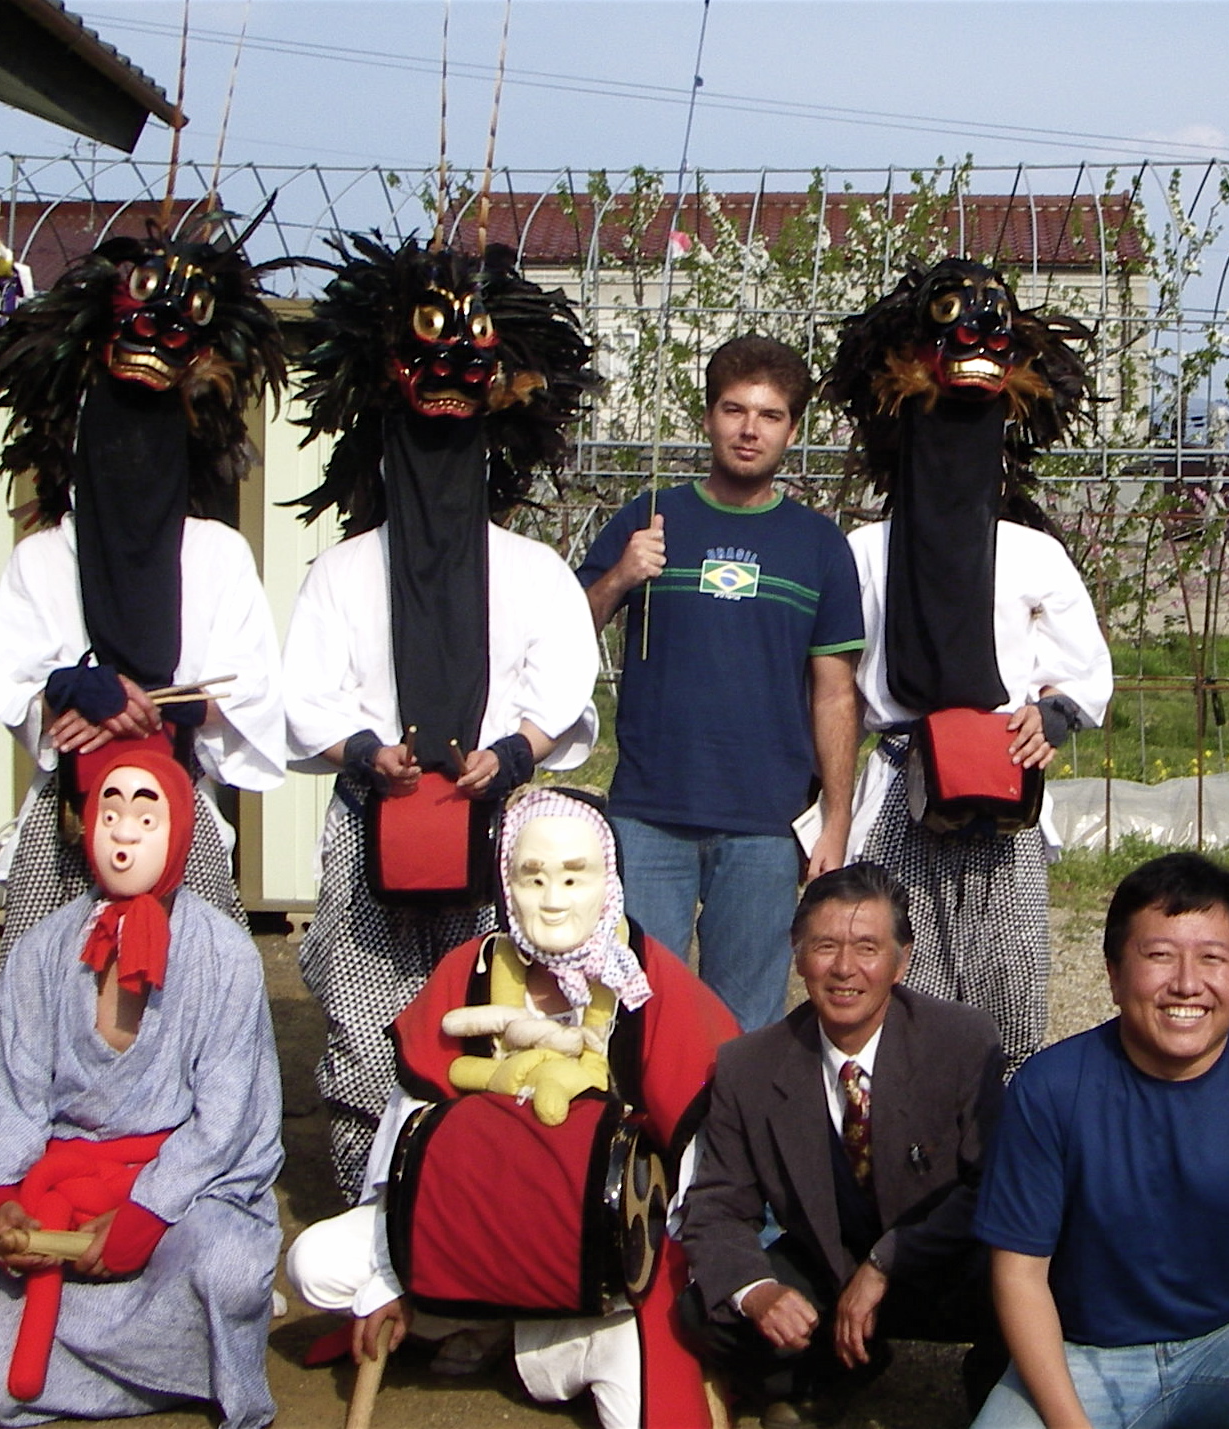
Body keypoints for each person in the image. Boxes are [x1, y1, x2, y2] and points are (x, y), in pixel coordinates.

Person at [283, 235, 601, 1198]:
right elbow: (304, 697)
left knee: (493, 1010)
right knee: (366, 1017)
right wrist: (368, 750)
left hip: (493, 827)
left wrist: (513, 750)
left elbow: (567, 681)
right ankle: (374, 1216)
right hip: (375, 824)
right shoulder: (341, 571)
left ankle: (476, 1218)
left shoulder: (534, 570)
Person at [284, 788, 737, 1429]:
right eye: (534, 876)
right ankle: (484, 1315)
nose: (553, 899)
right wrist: (392, 1273)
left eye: (574, 876)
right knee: (316, 1266)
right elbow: (404, 1134)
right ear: (506, 881)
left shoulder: (650, 983)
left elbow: (702, 1158)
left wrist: (674, 1269)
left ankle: (518, 1330)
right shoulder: (467, 972)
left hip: (595, 1254)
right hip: (471, 1227)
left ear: (608, 878)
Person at [0, 216, 288, 958]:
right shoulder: (43, 558)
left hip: (179, 806)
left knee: (200, 985)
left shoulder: (216, 554)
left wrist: (153, 708)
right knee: (49, 990)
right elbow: (3, 676)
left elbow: (252, 692)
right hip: (69, 819)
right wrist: (70, 690)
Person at [823, 260, 1113, 1075]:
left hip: (1002, 798)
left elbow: (1085, 673)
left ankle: (999, 1166)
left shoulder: (1031, 554)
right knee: (898, 992)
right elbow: (834, 683)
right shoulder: (862, 553)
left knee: (1007, 999)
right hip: (895, 788)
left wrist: (1048, 715)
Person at [972, 851, 1229, 1429]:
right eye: (1159, 956)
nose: (1187, 984)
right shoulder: (1049, 1089)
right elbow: (1018, 1274)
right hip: (1085, 1351)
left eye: (1212, 959)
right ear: (1114, 974)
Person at [0, 746, 283, 1429]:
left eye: (145, 811)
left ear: (181, 828)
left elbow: (227, 1119)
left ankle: (192, 1363)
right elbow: (7, 1088)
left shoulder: (225, 954)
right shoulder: (44, 949)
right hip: (63, 1206)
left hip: (180, 1200)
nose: (125, 831)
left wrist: (146, 1210)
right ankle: (185, 1374)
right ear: (86, 825)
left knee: (224, 1264)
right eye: (110, 810)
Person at [579, 335, 864, 1034]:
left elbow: (834, 694)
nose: (748, 429)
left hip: (765, 828)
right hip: (649, 817)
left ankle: (729, 1147)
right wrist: (620, 576)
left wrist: (835, 819)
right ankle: (643, 1147)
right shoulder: (646, 518)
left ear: (791, 431)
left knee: (745, 1026)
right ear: (708, 417)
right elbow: (563, 634)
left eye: (768, 416)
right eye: (734, 409)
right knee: (636, 1016)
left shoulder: (818, 545)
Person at [679, 862, 1006, 1425]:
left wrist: (883, 1265)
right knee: (704, 1312)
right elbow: (715, 1207)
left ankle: (995, 1389)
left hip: (946, 1264)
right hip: (829, 1269)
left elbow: (993, 1187)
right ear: (798, 955)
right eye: (825, 946)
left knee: (1041, 1283)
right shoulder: (748, 1065)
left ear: (901, 961)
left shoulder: (961, 1040)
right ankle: (836, 1371)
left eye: (867, 948)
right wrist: (758, 1293)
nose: (845, 969)